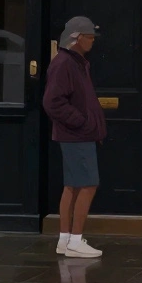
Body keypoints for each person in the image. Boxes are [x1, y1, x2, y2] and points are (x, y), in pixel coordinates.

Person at [42, 16, 107, 259]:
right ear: (77, 38)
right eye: (89, 37)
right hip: (77, 135)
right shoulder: (65, 64)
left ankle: (65, 239)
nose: (92, 41)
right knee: (88, 185)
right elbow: (52, 102)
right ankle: (76, 241)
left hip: (75, 134)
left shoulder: (74, 63)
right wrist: (81, 122)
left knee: (73, 186)